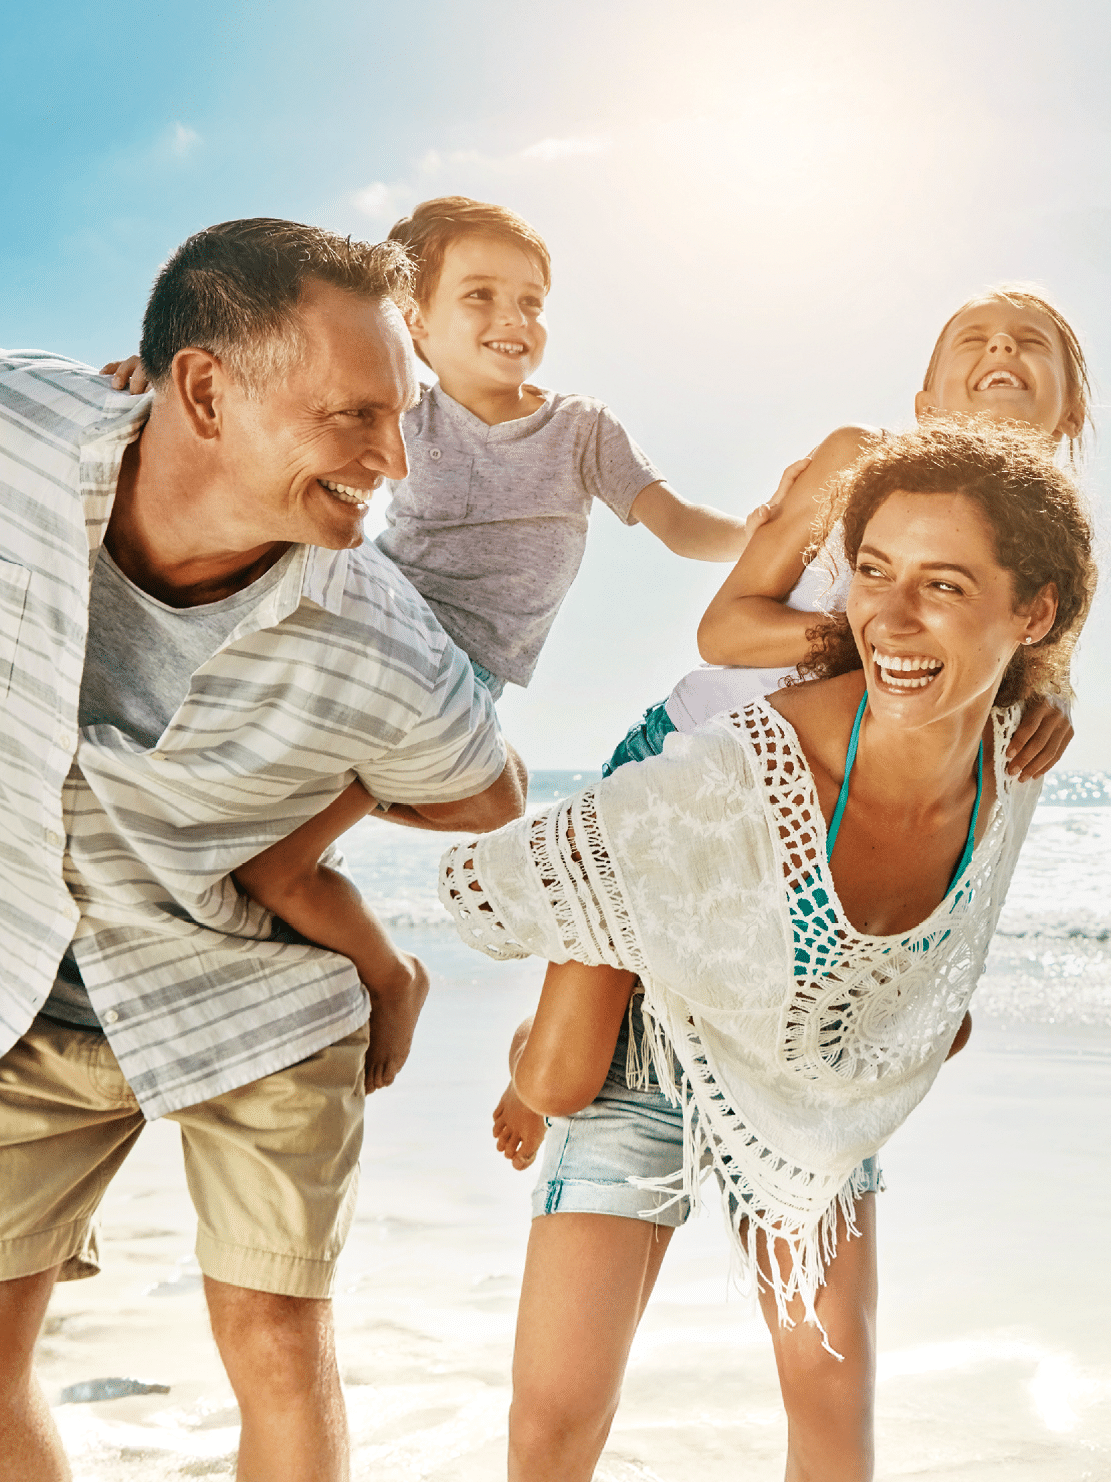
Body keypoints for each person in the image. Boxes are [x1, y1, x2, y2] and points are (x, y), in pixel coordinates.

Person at [439, 420, 1096, 1481]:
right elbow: (512, 875)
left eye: (943, 584)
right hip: (649, 1024)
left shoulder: (1011, 763)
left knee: (835, 1402)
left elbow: (941, 960)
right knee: (555, 1418)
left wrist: (910, 1029)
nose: (890, 615)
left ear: (1035, 611)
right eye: (872, 571)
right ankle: (535, 1047)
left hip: (804, 1064)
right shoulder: (741, 765)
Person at [0, 218, 527, 1482]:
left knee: (277, 1340)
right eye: (354, 415)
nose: (392, 459)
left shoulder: (378, 638)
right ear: (200, 389)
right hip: (31, 978)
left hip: (259, 987)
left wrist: (302, 829)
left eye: (402, 415)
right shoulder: (23, 434)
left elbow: (491, 793)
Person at [103, 195, 802, 1041]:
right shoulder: (403, 412)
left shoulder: (580, 429)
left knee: (310, 857)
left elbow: (679, 523)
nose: (513, 319)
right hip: (354, 637)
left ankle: (386, 978)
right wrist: (157, 383)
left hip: (453, 678)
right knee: (266, 849)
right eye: (480, 295)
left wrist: (759, 530)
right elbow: (271, 410)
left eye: (531, 301)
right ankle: (331, 979)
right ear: (413, 324)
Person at [605, 288, 1089, 783]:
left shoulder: (1059, 549)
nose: (1003, 345)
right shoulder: (857, 458)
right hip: (699, 744)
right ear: (927, 409)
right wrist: (875, 636)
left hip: (836, 793)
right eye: (973, 339)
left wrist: (1053, 697)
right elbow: (722, 632)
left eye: (1031, 340)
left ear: (1072, 412)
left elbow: (1030, 656)